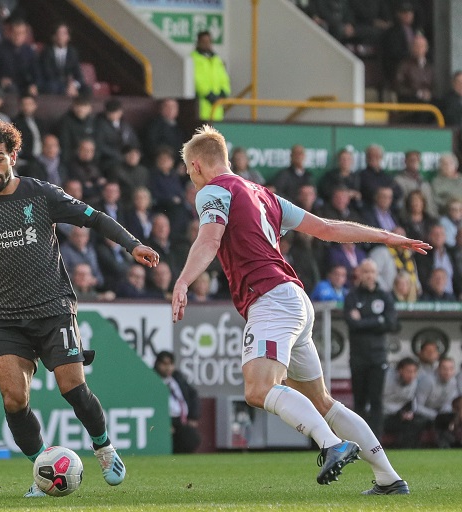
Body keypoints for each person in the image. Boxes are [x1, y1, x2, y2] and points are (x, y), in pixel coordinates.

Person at [171, 125, 427, 493]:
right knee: (321, 401)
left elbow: (209, 239)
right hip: (294, 299)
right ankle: (389, 478)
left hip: (271, 299)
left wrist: (182, 281)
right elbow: (327, 228)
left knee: (259, 389)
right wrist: (386, 237)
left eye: (188, 171)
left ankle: (332, 444)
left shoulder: (213, 191)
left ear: (196, 165)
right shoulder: (266, 196)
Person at [0, 120, 159, 497]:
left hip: (53, 308)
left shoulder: (41, 194)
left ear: (13, 156)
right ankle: (45, 470)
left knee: (72, 386)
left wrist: (132, 244)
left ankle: (104, 446)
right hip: (8, 317)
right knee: (13, 398)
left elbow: (95, 217)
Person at [344, 259, 398, 437]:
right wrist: (377, 321)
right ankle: (359, 440)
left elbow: (391, 323)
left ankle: (376, 441)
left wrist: (363, 321)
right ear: (359, 273)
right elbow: (352, 324)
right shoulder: (352, 296)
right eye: (365, 271)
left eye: (372, 272)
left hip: (378, 357)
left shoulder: (385, 296)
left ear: (377, 274)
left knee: (376, 400)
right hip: (358, 356)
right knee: (359, 401)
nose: (369, 275)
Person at [154, 351, 200, 454]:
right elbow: (153, 405)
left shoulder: (177, 378)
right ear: (157, 364)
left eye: (170, 364)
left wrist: (193, 416)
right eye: (164, 364)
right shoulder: (153, 381)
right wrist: (164, 423)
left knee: (193, 438)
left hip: (182, 420)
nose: (168, 368)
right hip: (167, 420)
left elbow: (193, 394)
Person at [0, 17, 39, 96]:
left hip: (24, 85)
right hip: (5, 86)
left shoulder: (29, 51)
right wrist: (1, 80)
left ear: (25, 35)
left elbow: (36, 73)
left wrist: (33, 84)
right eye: (15, 33)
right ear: (10, 33)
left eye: (21, 33)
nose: (18, 36)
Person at [382, 357, 427, 449]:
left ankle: (409, 449)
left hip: (400, 415)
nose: (411, 375)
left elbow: (411, 400)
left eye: (414, 372)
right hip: (383, 415)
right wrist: (399, 413)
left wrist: (409, 412)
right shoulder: (386, 379)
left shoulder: (414, 382)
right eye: (408, 371)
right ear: (400, 370)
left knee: (418, 421)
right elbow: (379, 401)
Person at [415, 357, 458, 448]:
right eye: (445, 369)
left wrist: (442, 414)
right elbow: (417, 406)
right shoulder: (428, 381)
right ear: (438, 369)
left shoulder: (453, 382)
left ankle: (452, 444)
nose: (448, 372)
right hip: (425, 413)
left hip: (441, 414)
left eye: (451, 369)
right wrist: (436, 415)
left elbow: (449, 403)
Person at [192, 30, 230, 121]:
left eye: (209, 41)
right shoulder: (193, 58)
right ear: (198, 42)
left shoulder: (217, 59)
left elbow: (224, 78)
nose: (207, 44)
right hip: (201, 106)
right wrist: (209, 95)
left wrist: (224, 93)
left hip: (217, 109)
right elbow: (196, 79)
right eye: (204, 41)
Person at [39, 22, 84, 96]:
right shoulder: (47, 52)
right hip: (53, 83)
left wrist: (73, 85)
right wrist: (67, 85)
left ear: (69, 37)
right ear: (53, 36)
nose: (61, 36)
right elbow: (48, 74)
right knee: (53, 87)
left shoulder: (73, 52)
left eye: (64, 33)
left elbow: (79, 76)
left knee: (87, 89)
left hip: (69, 85)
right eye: (59, 33)